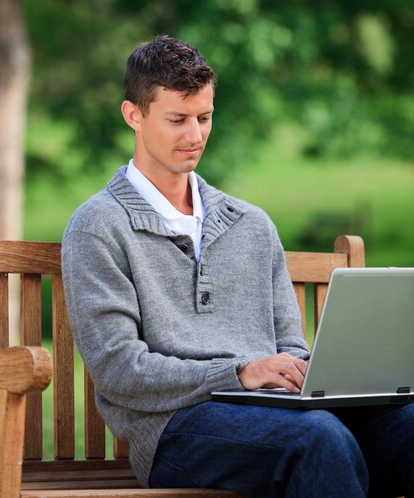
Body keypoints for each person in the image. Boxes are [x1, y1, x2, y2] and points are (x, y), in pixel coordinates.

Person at [62, 35, 414, 498]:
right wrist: (238, 373)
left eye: (204, 117)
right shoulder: (98, 227)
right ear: (134, 115)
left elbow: (289, 342)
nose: (195, 135)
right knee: (317, 439)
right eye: (177, 120)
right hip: (175, 429)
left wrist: (311, 372)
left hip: (280, 411)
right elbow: (119, 368)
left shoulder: (251, 224)